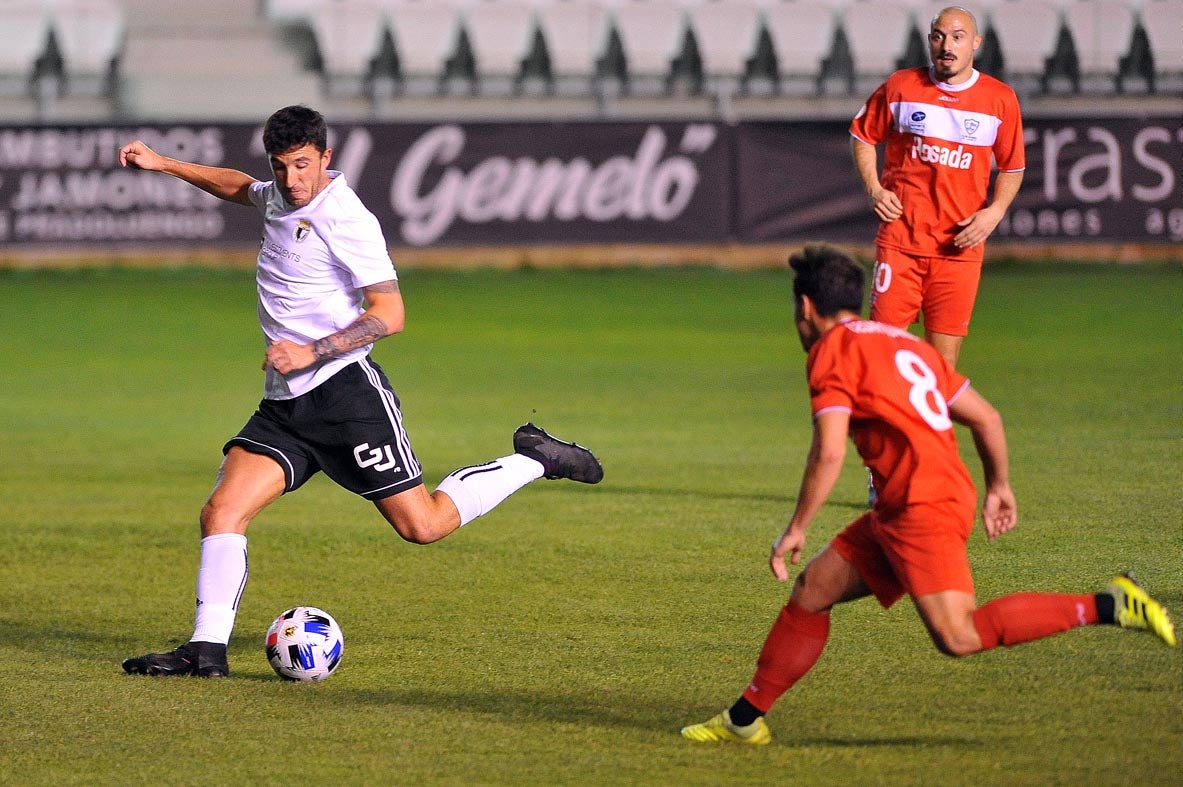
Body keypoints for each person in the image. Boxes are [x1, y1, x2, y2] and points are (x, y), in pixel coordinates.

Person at [119, 105, 604, 678]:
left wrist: (312, 349)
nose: (292, 180)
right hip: (285, 405)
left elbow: (391, 314)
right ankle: (206, 651)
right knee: (221, 511)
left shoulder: (346, 218)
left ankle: (532, 459)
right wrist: (162, 164)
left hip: (346, 397)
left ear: (326, 157)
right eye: (281, 167)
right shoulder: (278, 193)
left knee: (422, 526)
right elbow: (238, 188)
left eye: (303, 165)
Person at [681, 245, 1175, 746]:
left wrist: (797, 527)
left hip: (923, 507)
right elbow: (986, 417)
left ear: (806, 308)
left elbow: (829, 452)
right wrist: (998, 485)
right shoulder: (906, 343)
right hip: (908, 503)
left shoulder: (831, 351)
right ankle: (744, 718)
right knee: (813, 591)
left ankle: (1108, 605)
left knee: (958, 636)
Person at [850, 6, 1025, 370]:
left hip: (958, 249)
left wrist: (995, 212)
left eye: (958, 37)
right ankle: (883, 428)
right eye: (938, 36)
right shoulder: (901, 86)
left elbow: (1012, 167)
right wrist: (874, 189)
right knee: (881, 356)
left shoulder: (999, 99)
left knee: (942, 366)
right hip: (901, 244)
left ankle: (933, 429)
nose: (947, 45)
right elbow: (862, 136)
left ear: (975, 43)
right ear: (930, 40)